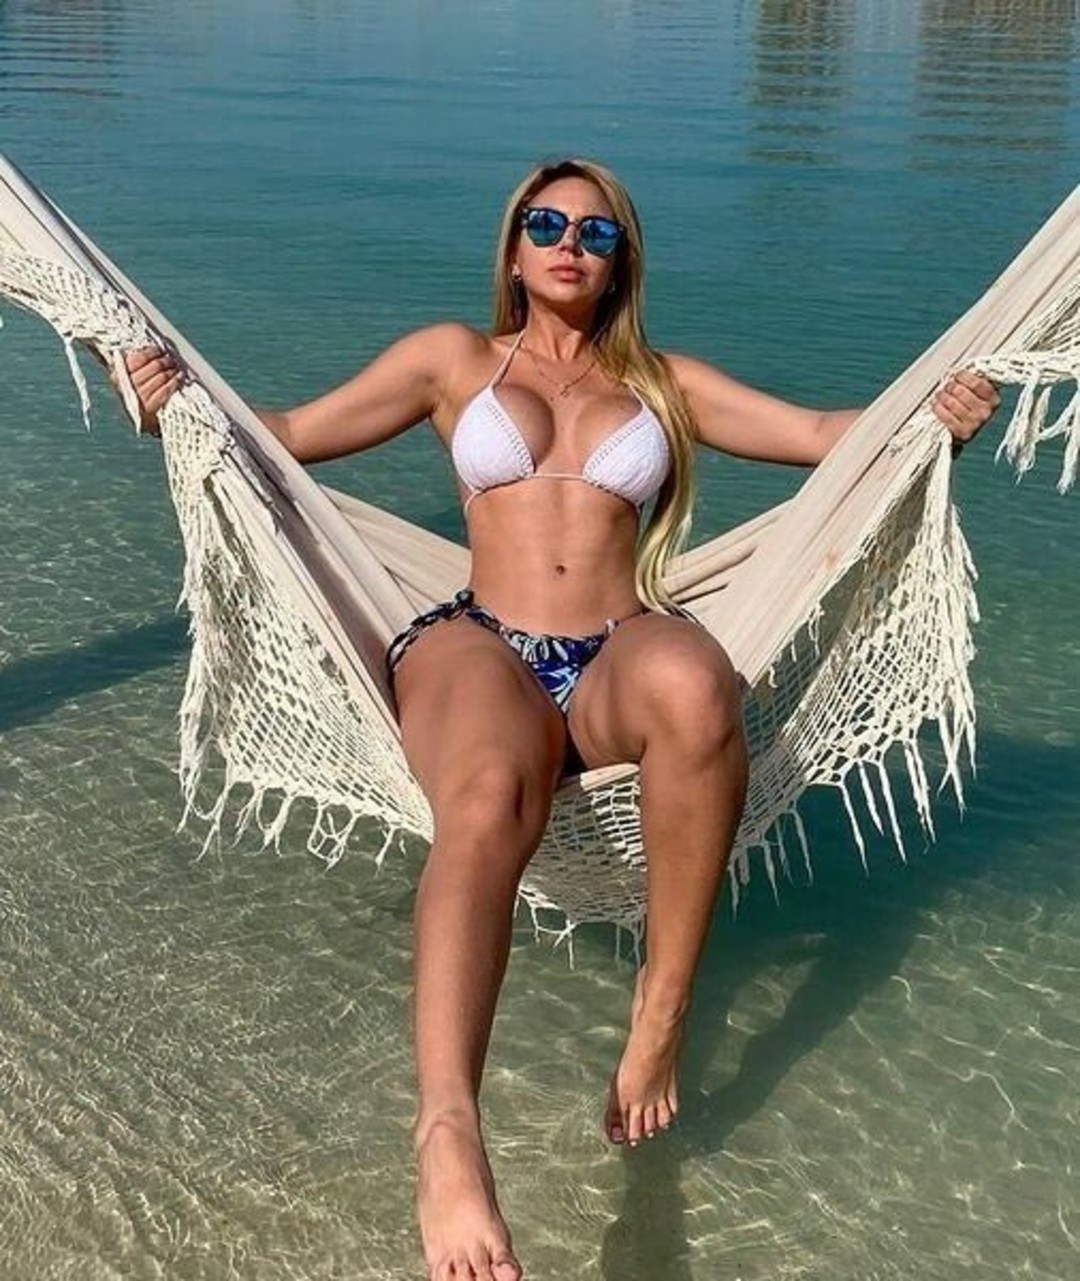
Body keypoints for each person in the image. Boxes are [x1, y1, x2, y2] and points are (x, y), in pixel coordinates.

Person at [128, 158, 999, 1281]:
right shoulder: (454, 360)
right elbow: (286, 430)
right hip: (478, 643)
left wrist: (937, 416)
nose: (568, 243)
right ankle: (449, 1132)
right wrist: (172, 403)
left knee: (699, 685)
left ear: (622, 259)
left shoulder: (664, 385)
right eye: (545, 223)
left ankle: (661, 1011)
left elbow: (828, 432)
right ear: (513, 246)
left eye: (595, 231)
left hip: (614, 652)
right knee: (489, 791)